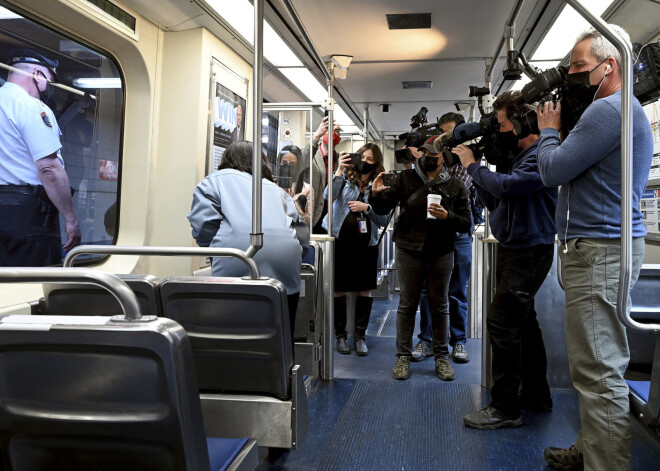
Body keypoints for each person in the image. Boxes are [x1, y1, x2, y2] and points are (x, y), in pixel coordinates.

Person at [536, 25, 653, 471]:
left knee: (599, 371)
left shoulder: (608, 110)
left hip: (600, 249)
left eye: (581, 68)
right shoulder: (620, 109)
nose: (574, 77)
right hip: (603, 246)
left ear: (611, 65)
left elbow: (553, 171)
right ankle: (590, 448)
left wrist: (549, 131)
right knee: (595, 364)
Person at [454, 90, 558, 430]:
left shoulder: (540, 155)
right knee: (524, 323)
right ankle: (536, 395)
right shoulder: (518, 157)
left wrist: (472, 165)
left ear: (522, 122)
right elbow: (496, 197)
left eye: (501, 125)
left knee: (501, 322)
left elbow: (511, 187)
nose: (499, 131)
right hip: (516, 247)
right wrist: (476, 174)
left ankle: (505, 407)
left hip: (529, 250)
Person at [370, 137, 471, 381]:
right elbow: (383, 209)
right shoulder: (405, 179)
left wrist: (448, 216)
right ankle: (403, 356)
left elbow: (467, 222)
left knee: (440, 305)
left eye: (432, 155)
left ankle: (441, 357)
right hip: (408, 249)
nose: (427, 158)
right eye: (424, 153)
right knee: (407, 304)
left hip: (441, 251)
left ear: (443, 158)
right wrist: (374, 196)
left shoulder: (456, 185)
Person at [188, 141, 306, 337]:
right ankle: (284, 365)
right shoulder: (276, 190)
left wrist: (220, 249)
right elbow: (298, 226)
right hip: (287, 266)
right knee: (281, 334)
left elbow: (203, 226)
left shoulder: (213, 181)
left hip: (237, 259)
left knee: (235, 335)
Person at [0, 49, 81, 266]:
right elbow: (49, 169)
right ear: (37, 74)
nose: (47, 89)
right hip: (26, 213)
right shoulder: (31, 107)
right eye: (48, 81)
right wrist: (71, 219)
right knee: (30, 284)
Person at [412, 112, 474, 364]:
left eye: (448, 136)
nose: (442, 141)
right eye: (440, 136)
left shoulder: (467, 161)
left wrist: (440, 163)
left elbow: (457, 191)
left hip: (458, 236)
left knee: (457, 291)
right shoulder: (430, 160)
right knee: (428, 291)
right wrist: (421, 164)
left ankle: (458, 341)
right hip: (432, 237)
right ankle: (426, 340)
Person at [323, 143, 389, 356]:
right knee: (337, 288)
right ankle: (340, 336)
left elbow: (384, 218)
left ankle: (360, 336)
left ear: (376, 162)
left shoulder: (380, 183)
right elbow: (328, 197)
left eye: (370, 159)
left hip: (366, 246)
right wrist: (339, 171)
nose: (365, 162)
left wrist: (367, 208)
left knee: (365, 289)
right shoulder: (345, 178)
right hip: (341, 242)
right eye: (362, 157)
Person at [303, 116, 340, 233]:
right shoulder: (312, 157)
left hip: (334, 216)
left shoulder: (340, 160)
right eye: (329, 130)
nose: (333, 133)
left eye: (336, 131)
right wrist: (316, 137)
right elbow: (301, 162)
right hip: (314, 215)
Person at [277, 145, 313, 225]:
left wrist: (294, 203)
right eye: (284, 163)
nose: (288, 167)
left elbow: (308, 221)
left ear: (298, 165)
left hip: (296, 232)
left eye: (292, 164)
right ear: (279, 163)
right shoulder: (272, 186)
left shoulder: (307, 189)